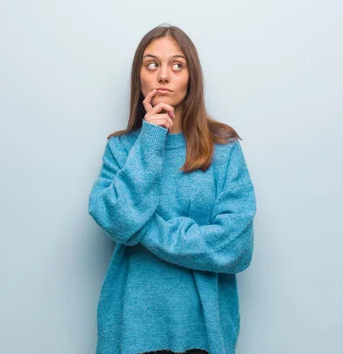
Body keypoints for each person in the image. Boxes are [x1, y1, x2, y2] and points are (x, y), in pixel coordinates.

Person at [88, 24, 257, 354]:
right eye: (152, 64)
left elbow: (236, 247)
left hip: (203, 332)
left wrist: (146, 231)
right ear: (140, 77)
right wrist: (150, 139)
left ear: (191, 77)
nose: (163, 75)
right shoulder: (121, 149)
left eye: (176, 65)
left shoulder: (224, 150)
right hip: (131, 328)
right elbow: (119, 221)